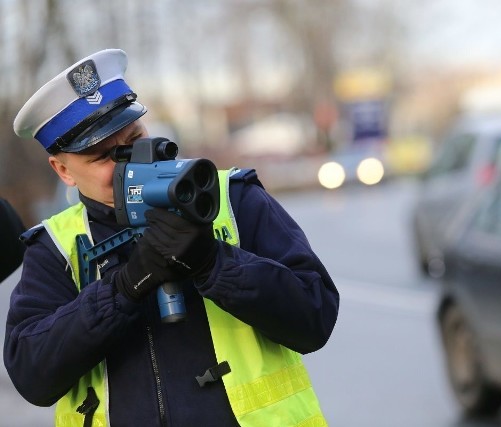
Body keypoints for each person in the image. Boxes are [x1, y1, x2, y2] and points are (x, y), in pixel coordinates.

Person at [5, 48, 339, 427]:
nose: (131, 161)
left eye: (136, 138)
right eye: (104, 157)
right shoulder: (55, 246)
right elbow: (32, 375)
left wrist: (216, 264)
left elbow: (316, 316)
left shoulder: (233, 197)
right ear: (63, 170)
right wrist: (124, 289)